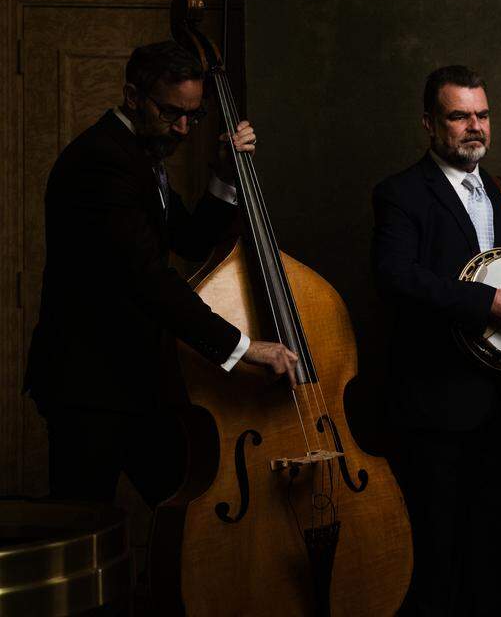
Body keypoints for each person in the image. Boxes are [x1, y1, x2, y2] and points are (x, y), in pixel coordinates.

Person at [24, 40, 297, 508]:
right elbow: (148, 279)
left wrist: (224, 175)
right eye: (172, 113)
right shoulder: (102, 161)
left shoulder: (143, 157)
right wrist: (245, 347)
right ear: (133, 96)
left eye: (193, 115)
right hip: (89, 386)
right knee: (84, 523)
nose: (184, 128)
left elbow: (189, 241)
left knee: (180, 508)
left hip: (137, 382)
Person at [372, 65, 501, 616]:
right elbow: (394, 276)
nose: (475, 127)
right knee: (437, 556)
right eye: (459, 115)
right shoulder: (401, 193)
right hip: (438, 405)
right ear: (429, 123)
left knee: (498, 552)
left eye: (483, 114)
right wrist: (483, 302)